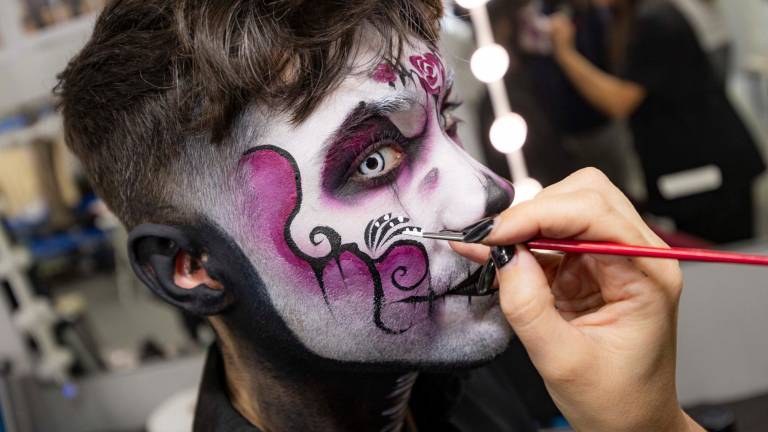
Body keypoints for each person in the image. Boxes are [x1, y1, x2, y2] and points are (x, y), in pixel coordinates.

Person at [57, 0, 702, 431]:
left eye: (446, 125)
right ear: (190, 268)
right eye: (372, 162)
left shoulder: (523, 363)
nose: (486, 193)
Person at [549, 0, 766, 243]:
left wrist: (565, 53)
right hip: (691, 165)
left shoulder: (655, 21)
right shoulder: (626, 20)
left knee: (722, 261)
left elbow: (618, 101)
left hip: (709, 168)